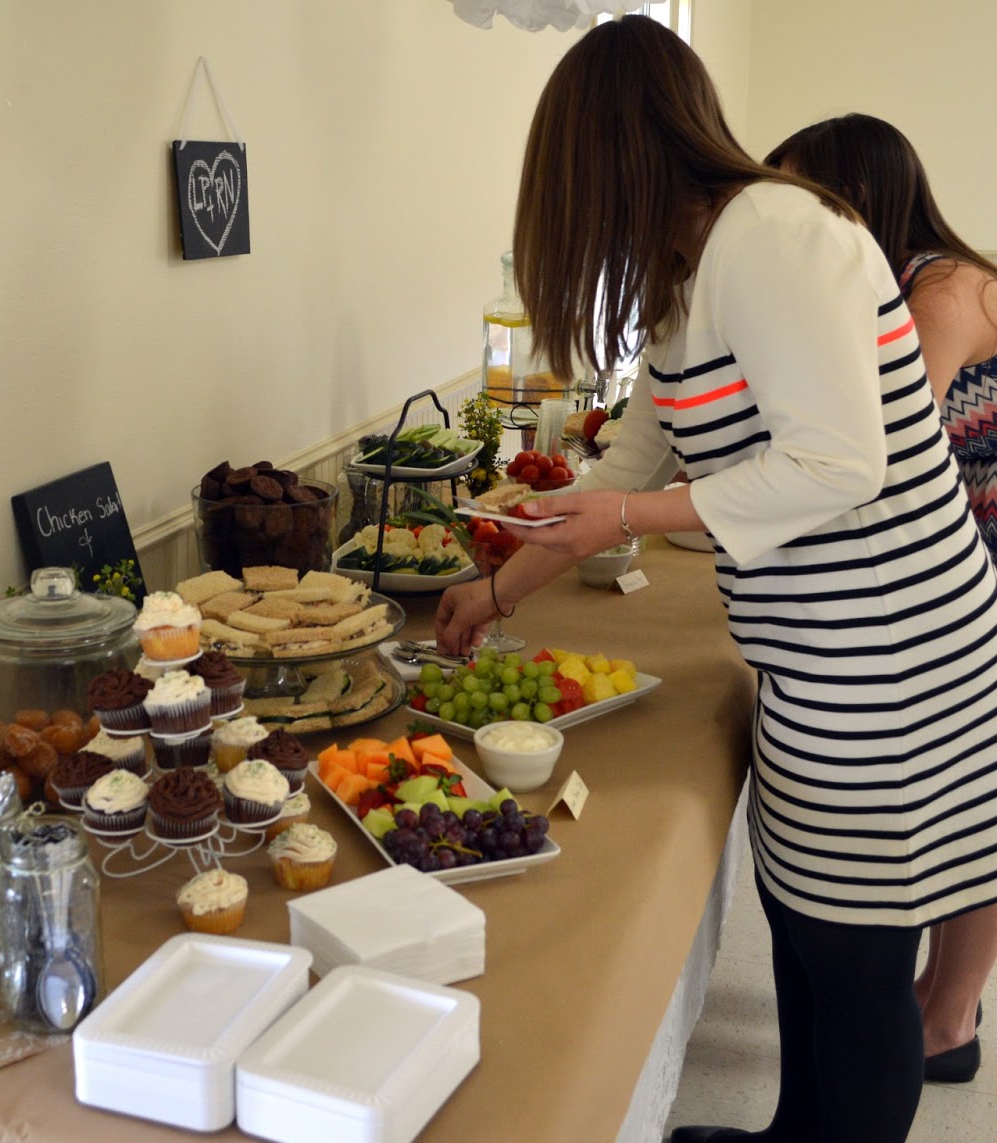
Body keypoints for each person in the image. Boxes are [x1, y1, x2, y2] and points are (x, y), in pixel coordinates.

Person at [435, 19, 997, 1143]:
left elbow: (838, 463)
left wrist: (627, 515)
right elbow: (624, 468)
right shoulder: (687, 280)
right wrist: (496, 590)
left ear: (609, 160)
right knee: (813, 929)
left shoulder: (779, 232)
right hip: (814, 662)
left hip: (887, 664)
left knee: (850, 961)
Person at [765, 113, 997, 1087]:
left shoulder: (941, 292)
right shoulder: (887, 288)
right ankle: (934, 1018)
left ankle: (944, 1024)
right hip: (959, 559)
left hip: (980, 564)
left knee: (977, 812)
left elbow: (878, 458)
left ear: (848, 201)